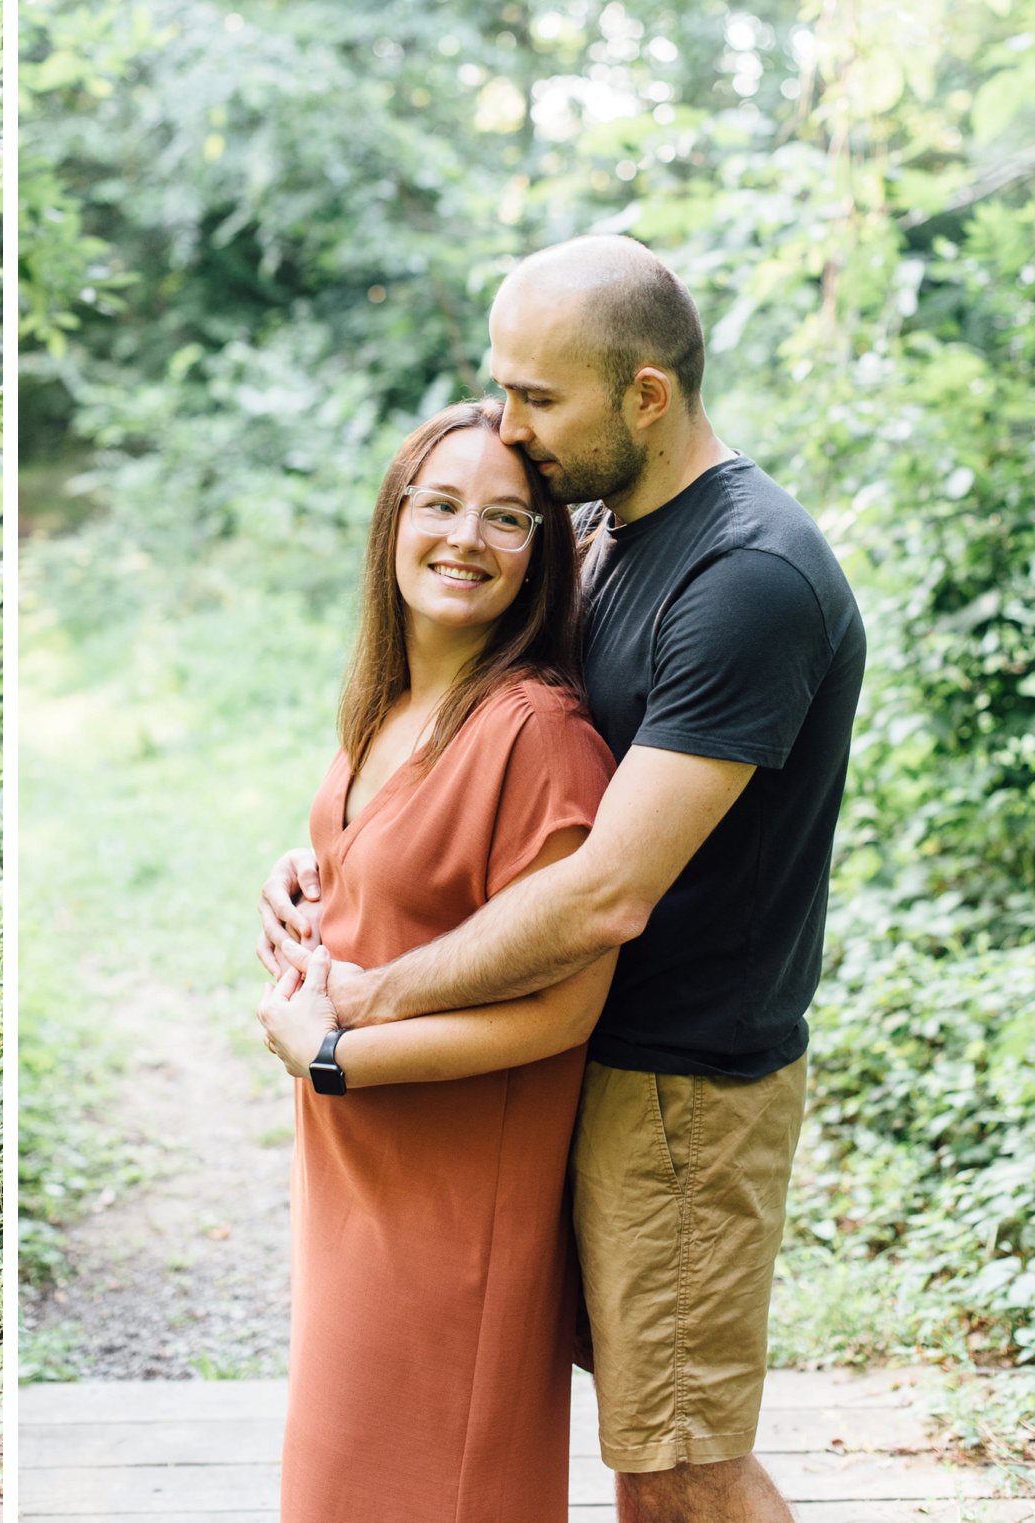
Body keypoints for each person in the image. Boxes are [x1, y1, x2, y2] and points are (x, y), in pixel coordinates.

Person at [259, 237, 866, 1523]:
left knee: (679, 1460)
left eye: (538, 399)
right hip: (561, 1064)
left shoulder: (742, 574)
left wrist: (365, 1000)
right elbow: (479, 749)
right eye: (501, 387)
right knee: (630, 1440)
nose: (510, 428)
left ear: (644, 395)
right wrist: (337, 858)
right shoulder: (605, 525)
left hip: (677, 1085)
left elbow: (601, 890)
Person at [251, 398, 617, 1522]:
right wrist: (306, 872)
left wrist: (334, 1060)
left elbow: (565, 1008)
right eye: (442, 503)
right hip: (357, 1178)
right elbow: (390, 863)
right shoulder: (390, 703)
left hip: (454, 1195)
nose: (466, 537)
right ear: (392, 518)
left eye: (508, 519)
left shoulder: (539, 733)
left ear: (540, 553)